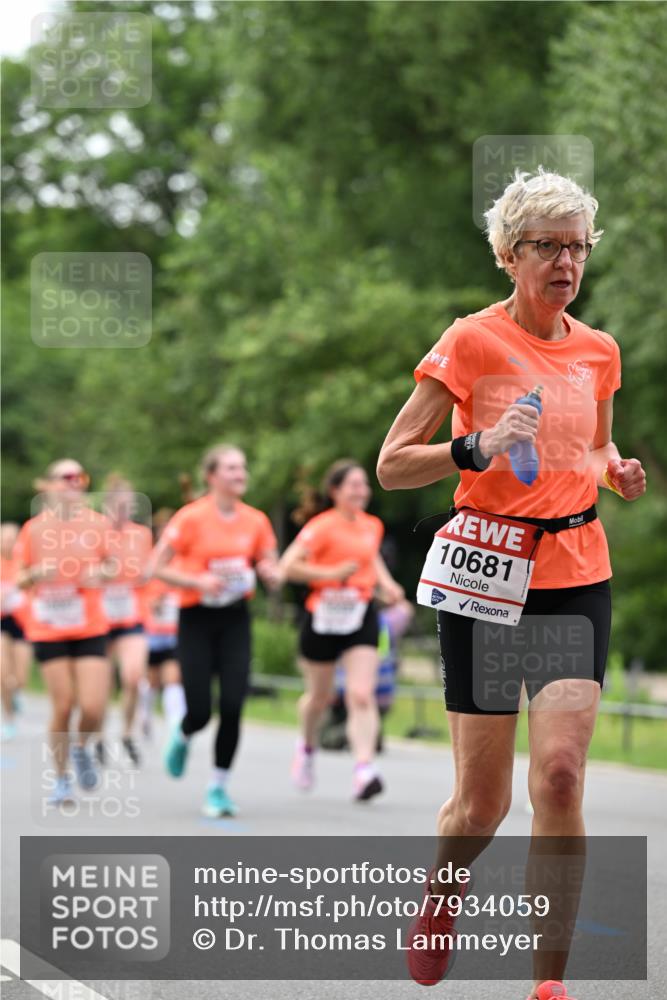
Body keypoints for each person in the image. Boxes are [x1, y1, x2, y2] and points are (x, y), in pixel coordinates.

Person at [376, 168, 646, 998]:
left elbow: (592, 448)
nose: (565, 262)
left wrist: (616, 472)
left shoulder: (598, 350)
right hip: (488, 573)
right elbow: (391, 466)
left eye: (577, 246)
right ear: (507, 254)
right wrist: (475, 446)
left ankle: (547, 984)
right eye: (546, 247)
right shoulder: (470, 341)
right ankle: (442, 892)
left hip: (574, 572)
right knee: (481, 807)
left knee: (560, 776)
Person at [149, 444, 280, 817]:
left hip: (235, 618)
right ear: (211, 476)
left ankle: (218, 788)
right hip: (196, 619)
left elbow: (267, 559)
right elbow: (156, 567)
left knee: (235, 704)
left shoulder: (255, 519)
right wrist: (197, 581)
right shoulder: (190, 518)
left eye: (243, 467)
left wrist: (270, 571)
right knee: (201, 710)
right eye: (231, 468)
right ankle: (185, 732)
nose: (240, 474)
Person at [279, 460, 404, 801]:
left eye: (364, 485)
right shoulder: (320, 527)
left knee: (361, 694)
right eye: (353, 485)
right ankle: (305, 748)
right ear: (335, 491)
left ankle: (364, 770)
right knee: (319, 698)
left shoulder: (371, 526)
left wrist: (388, 585)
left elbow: (370, 560)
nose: (361, 491)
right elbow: (288, 566)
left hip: (360, 613)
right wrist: (331, 572)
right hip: (322, 616)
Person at [14, 459, 114, 804]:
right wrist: (38, 573)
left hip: (88, 624)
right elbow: (20, 578)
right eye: (66, 477)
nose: (75, 482)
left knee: (93, 707)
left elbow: (113, 565)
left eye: (81, 477)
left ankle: (82, 746)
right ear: (51, 485)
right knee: (64, 703)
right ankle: (60, 780)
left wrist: (102, 574)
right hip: (49, 627)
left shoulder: (98, 525)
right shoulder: (34, 530)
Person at [100, 475, 152, 767]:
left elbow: (148, 570)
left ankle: (127, 734)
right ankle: (97, 737)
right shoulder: (95, 532)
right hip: (101, 619)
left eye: (129, 505)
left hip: (131, 615)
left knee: (133, 677)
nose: (125, 510)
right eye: (120, 504)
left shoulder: (142, 535)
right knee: (102, 684)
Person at [139, 508, 186, 738]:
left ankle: (175, 725)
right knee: (151, 679)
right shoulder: (150, 559)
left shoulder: (184, 559)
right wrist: (151, 603)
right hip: (151, 630)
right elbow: (138, 591)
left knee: (173, 678)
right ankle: (145, 713)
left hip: (175, 629)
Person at [1, 523, 32, 740]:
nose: (9, 542)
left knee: (20, 677)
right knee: (3, 674)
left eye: (13, 538)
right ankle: (9, 719)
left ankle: (16, 693)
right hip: (2, 622)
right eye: (5, 538)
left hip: (22, 622)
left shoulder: (24, 564)